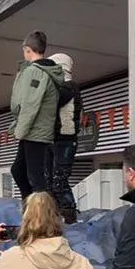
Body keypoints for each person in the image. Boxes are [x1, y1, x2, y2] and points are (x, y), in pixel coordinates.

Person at [10, 31, 65, 201]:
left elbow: (30, 104)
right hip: (34, 129)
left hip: (35, 130)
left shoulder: (36, 72)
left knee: (36, 178)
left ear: (27, 49)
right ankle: (31, 209)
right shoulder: (42, 71)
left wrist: (20, 130)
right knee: (19, 170)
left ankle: (42, 215)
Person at [47, 53, 82, 224]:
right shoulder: (62, 88)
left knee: (59, 179)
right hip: (57, 139)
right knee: (52, 179)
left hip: (65, 140)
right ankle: (58, 215)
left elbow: (53, 101)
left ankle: (70, 216)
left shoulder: (69, 87)